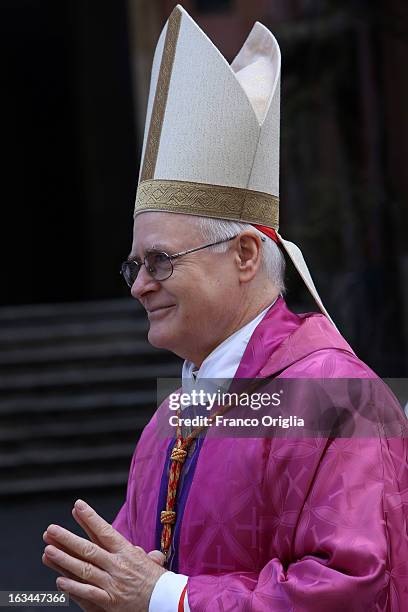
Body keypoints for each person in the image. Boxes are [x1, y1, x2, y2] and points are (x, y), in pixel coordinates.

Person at [42, 5, 408, 611]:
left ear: (243, 254)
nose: (139, 286)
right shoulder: (175, 413)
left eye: (160, 261)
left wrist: (169, 599)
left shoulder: (337, 398)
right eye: (134, 266)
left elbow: (351, 588)